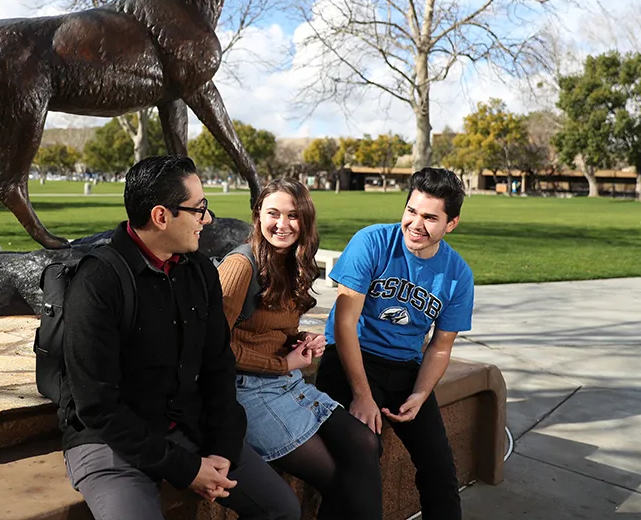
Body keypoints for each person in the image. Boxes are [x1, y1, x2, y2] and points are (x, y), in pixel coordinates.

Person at [61, 155, 300, 520]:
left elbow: (218, 365)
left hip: (189, 427)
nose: (207, 219)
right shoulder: (98, 282)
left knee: (282, 508)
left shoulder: (200, 270)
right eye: (199, 209)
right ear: (161, 216)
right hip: (111, 442)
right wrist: (186, 468)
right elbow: (97, 407)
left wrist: (222, 449)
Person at [315, 167, 475, 520]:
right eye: (411, 211)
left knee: (440, 468)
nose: (417, 224)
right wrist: (361, 394)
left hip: (405, 369)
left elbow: (440, 347)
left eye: (431, 217)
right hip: (349, 357)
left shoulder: (458, 274)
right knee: (362, 453)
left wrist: (420, 394)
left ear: (451, 224)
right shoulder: (371, 242)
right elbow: (344, 323)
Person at [217, 179, 382, 520]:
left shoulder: (295, 262)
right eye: (273, 213)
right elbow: (211, 348)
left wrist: (299, 342)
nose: (283, 224)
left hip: (287, 382)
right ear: (257, 215)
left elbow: (274, 329)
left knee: (367, 444)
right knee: (338, 479)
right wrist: (281, 363)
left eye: (293, 215)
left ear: (305, 219)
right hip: (244, 391)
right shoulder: (240, 267)